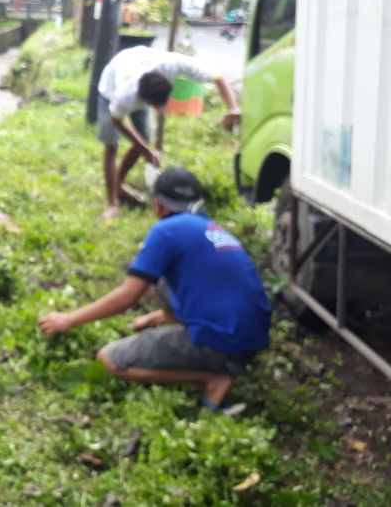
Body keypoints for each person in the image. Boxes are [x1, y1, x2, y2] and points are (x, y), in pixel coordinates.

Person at [38, 168, 272, 410]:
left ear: (158, 205)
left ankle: (212, 376)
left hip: (224, 342)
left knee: (109, 360)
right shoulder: (212, 229)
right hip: (252, 338)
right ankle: (217, 360)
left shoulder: (166, 230)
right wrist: (158, 317)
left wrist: (69, 319)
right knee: (159, 277)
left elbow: (127, 297)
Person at [97, 46, 242, 219]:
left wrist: (232, 107)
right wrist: (145, 150)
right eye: (154, 106)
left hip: (139, 61)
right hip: (110, 86)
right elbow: (117, 121)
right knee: (111, 146)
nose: (159, 110)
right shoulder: (124, 95)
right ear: (142, 99)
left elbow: (217, 76)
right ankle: (112, 203)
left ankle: (118, 185)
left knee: (145, 137)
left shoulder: (172, 64)